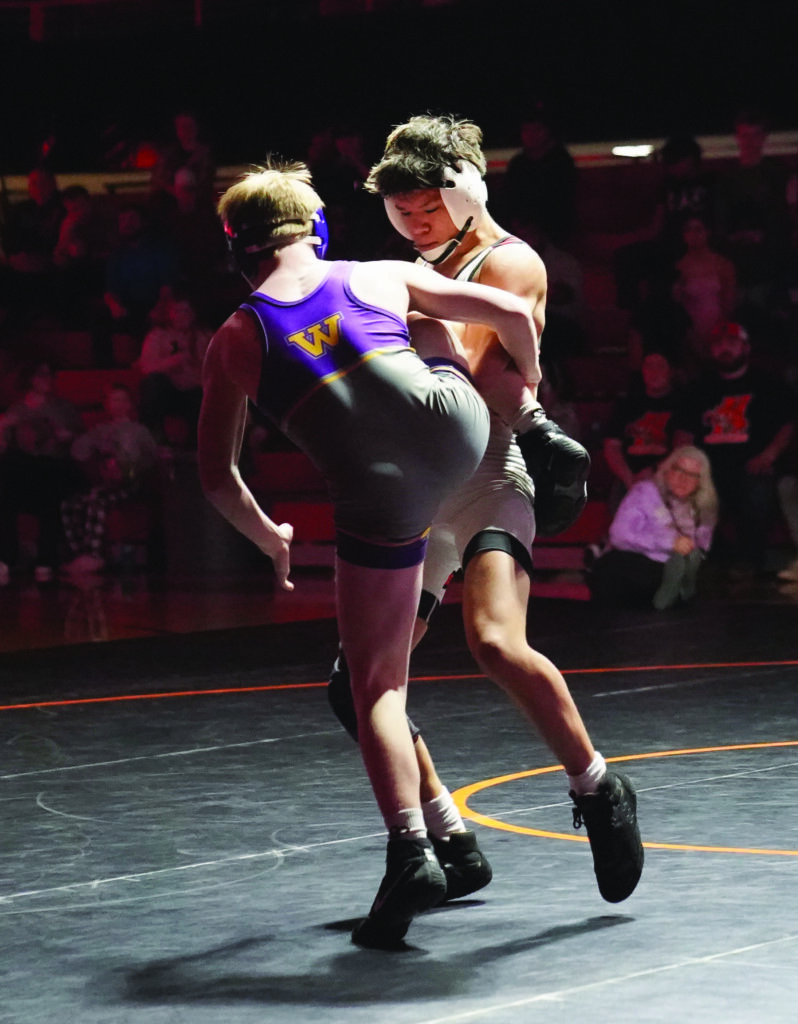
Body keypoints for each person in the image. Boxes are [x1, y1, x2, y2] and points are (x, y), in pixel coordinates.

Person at [198, 159, 551, 948]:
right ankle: (532, 447)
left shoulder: (233, 340)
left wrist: (271, 539)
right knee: (426, 322)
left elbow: (218, 477)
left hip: (378, 495)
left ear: (236, 251)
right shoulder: (374, 273)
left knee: (376, 685)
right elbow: (509, 313)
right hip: (459, 430)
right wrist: (529, 396)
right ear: (314, 230)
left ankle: (412, 849)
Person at [328, 114, 643, 916]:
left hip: (487, 475)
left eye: (426, 206)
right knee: (355, 685)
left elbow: (461, 374)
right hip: (420, 488)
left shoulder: (510, 261)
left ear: (466, 189)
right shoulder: (409, 272)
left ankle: (598, 785)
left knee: (497, 641)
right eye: (401, 211)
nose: (414, 222)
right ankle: (450, 837)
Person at [673, 321, 795, 576]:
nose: (724, 348)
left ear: (745, 347)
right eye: (718, 344)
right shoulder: (699, 387)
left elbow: (788, 424)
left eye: (731, 342)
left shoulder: (767, 383)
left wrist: (769, 455)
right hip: (709, 469)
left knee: (758, 490)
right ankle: (718, 555)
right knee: (683, 491)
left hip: (752, 465)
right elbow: (683, 432)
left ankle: (750, 561)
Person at [587, 446, 717, 609]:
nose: (683, 479)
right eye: (679, 470)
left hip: (674, 568)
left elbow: (703, 545)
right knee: (616, 567)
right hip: (637, 561)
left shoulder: (704, 506)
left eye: (692, 475)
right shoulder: (645, 492)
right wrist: (668, 543)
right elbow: (619, 535)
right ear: (667, 470)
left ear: (700, 482)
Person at [61, 382, 159, 577]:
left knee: (97, 498)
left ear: (130, 404)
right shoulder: (100, 430)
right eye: (115, 400)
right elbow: (78, 451)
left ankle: (94, 554)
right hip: (107, 483)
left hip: (132, 484)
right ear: (107, 404)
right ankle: (81, 552)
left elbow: (151, 459)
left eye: (123, 400)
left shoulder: (139, 430)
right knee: (70, 504)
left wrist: (130, 470)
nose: (119, 404)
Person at [0, 361, 85, 583]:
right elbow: (4, 447)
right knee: (7, 474)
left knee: (47, 480)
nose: (48, 379)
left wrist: (67, 436)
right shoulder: (17, 410)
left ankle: (46, 558)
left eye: (50, 374)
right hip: (25, 473)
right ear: (30, 378)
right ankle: (6, 555)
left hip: (56, 468)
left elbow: (82, 444)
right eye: (42, 374)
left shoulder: (63, 407)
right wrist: (3, 426)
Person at [603, 350, 683, 514]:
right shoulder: (627, 405)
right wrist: (629, 478)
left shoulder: (683, 404)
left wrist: (654, 472)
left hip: (668, 474)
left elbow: (683, 447)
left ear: (671, 371)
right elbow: (612, 446)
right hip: (630, 474)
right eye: (649, 366)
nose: (654, 371)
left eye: (660, 366)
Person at [136, 291, 211, 448]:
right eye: (177, 311)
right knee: (152, 384)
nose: (181, 316)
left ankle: (197, 445)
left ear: (193, 314)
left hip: (195, 392)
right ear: (169, 313)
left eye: (186, 311)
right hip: (167, 394)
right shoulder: (157, 336)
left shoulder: (204, 337)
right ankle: (155, 437)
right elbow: (146, 367)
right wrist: (172, 362)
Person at [672, 212, 737, 364]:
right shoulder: (678, 268)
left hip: (719, 328)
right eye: (688, 230)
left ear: (708, 232)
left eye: (698, 230)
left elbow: (729, 302)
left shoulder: (722, 264)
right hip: (690, 331)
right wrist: (690, 335)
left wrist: (719, 333)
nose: (693, 235)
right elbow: (677, 305)